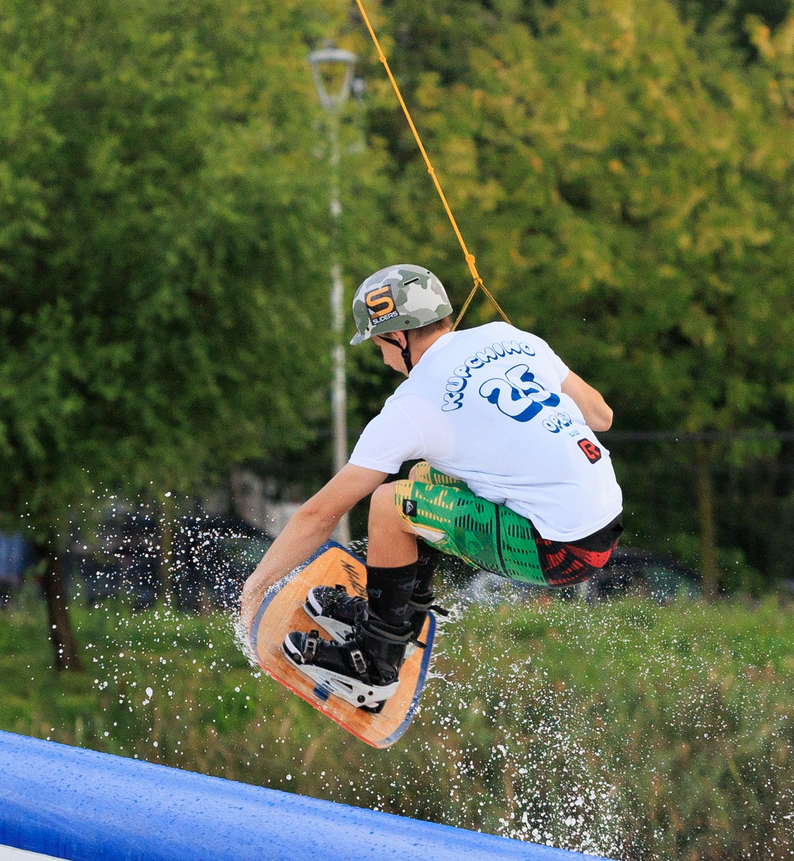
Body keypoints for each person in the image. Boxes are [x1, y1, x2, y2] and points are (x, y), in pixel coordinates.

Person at [239, 264, 625, 711]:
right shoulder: (511, 336)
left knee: (389, 502)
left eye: (378, 345)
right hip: (605, 515)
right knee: (425, 477)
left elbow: (320, 514)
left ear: (398, 337)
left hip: (560, 549)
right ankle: (398, 619)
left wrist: (256, 586)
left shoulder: (414, 403)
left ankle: (376, 665)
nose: (382, 359)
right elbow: (601, 416)